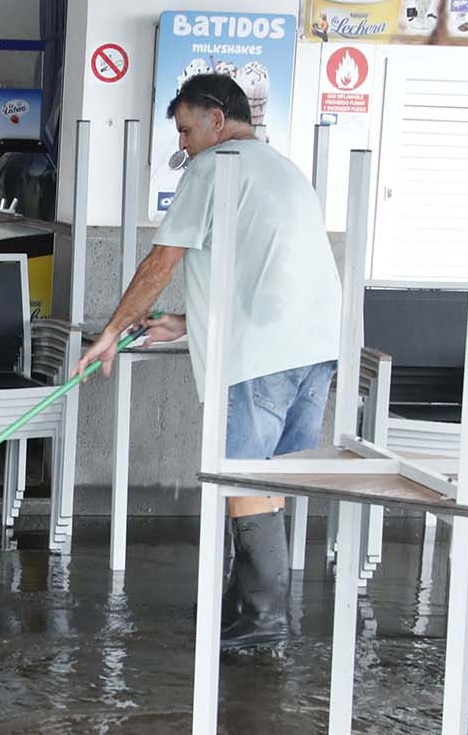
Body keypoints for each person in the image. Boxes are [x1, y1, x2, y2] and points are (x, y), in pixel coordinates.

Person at [77, 73, 339, 655]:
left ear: (217, 120)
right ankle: (247, 609)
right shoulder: (282, 170)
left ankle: (264, 622)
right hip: (316, 351)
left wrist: (111, 332)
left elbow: (164, 258)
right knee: (269, 482)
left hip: (260, 356)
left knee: (242, 477)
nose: (185, 146)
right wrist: (185, 324)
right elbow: (264, 272)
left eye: (187, 130)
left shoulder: (216, 167)